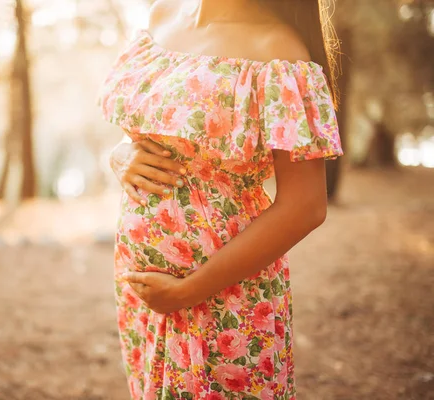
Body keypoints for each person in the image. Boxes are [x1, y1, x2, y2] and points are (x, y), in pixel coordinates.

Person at [97, 0, 343, 398]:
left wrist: (188, 291)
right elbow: (155, 127)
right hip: (144, 295)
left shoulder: (278, 50)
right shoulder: (163, 14)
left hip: (227, 297)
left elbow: (306, 206)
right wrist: (121, 154)